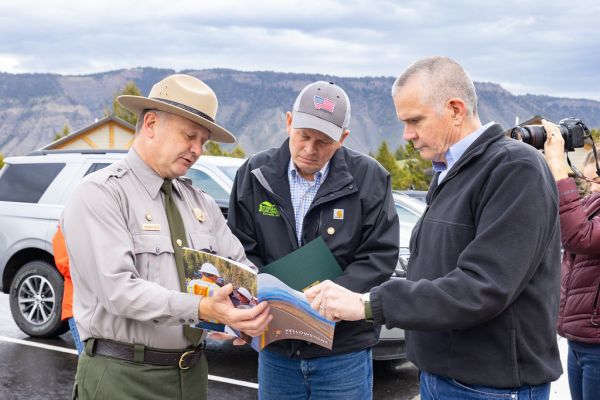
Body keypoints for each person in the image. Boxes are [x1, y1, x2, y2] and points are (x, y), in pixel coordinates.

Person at [305, 57, 563, 400]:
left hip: (489, 388)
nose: (407, 135)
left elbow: (482, 286)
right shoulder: (452, 172)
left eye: (415, 121)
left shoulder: (515, 169)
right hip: (439, 376)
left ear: (455, 109)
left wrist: (369, 304)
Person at [61, 74, 271, 400]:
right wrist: (203, 308)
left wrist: (244, 316)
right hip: (122, 378)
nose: (198, 149)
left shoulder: (201, 203)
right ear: (151, 124)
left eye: (204, 141)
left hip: (191, 376)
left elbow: (240, 271)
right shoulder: (101, 195)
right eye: (190, 136)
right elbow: (118, 290)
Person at [228, 81, 399, 399]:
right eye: (303, 136)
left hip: (343, 350)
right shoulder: (254, 174)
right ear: (289, 121)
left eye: (323, 141)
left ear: (343, 139)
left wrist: (331, 300)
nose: (310, 149)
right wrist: (263, 298)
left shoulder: (370, 179)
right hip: (276, 348)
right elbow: (239, 248)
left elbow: (380, 254)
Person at [543, 119, 600, 400]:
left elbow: (580, 237)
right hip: (578, 339)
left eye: (597, 183)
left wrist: (557, 166)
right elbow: (564, 227)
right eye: (588, 183)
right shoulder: (592, 203)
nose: (592, 191)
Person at [51, 226, 84, 354]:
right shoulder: (63, 232)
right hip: (76, 308)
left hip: (97, 308)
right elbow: (65, 265)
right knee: (86, 360)